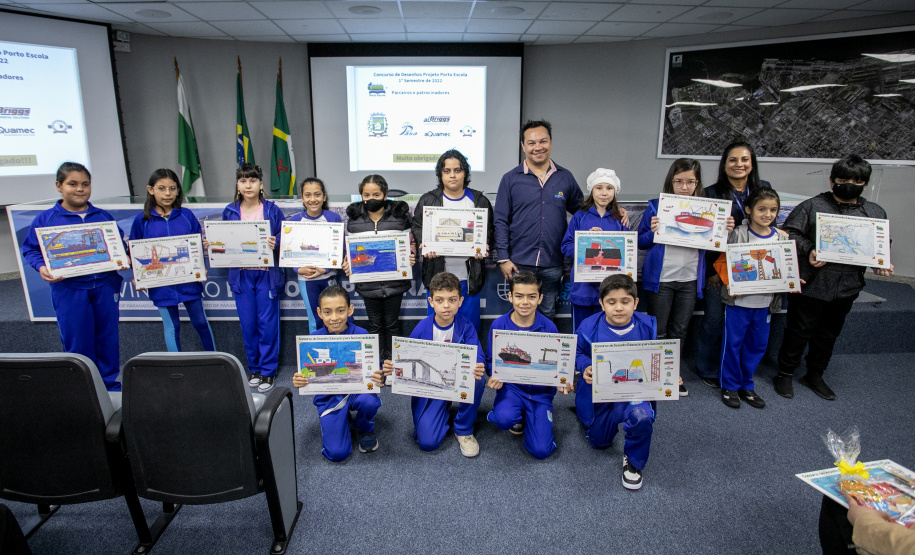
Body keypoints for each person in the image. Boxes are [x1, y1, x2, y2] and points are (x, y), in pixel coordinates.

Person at [775, 154, 894, 401]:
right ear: (832, 181)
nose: (850, 184)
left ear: (865, 184)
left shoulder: (874, 211)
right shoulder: (811, 206)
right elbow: (789, 233)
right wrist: (810, 249)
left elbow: (881, 245)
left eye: (857, 180)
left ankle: (815, 374)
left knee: (829, 334)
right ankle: (785, 373)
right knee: (798, 330)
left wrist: (881, 263)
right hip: (811, 283)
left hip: (847, 286)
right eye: (843, 179)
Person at [21, 162, 126, 391]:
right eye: (73, 184)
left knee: (107, 337)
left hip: (105, 286)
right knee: (77, 339)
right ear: (59, 186)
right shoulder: (46, 219)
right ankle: (83, 387)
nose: (80, 189)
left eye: (85, 184)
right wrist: (41, 267)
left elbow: (118, 245)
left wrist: (124, 256)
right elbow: (30, 249)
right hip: (69, 289)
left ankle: (108, 383)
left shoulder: (103, 216)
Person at [637, 158, 734, 396]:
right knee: (658, 330)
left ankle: (672, 374)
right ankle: (655, 375)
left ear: (697, 183)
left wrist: (725, 230)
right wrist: (653, 231)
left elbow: (715, 246)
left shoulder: (709, 210)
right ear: (670, 181)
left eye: (690, 182)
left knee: (680, 330)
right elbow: (640, 241)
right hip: (661, 279)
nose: (684, 187)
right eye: (678, 181)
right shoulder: (656, 206)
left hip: (689, 280)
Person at [377, 272, 487, 457]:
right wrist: (391, 368)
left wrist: (479, 365)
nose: (446, 305)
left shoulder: (467, 326)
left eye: (452, 300)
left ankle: (463, 428)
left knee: (478, 379)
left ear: (460, 301)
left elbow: (478, 355)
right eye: (440, 300)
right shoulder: (422, 327)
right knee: (428, 443)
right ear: (431, 301)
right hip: (432, 387)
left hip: (456, 380)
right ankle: (441, 409)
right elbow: (405, 358)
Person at [697, 141, 772, 389]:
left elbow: (770, 226)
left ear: (752, 163)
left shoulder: (763, 189)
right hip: (718, 271)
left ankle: (738, 372)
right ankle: (708, 368)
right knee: (714, 322)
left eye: (744, 159)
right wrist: (711, 271)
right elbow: (703, 236)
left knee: (744, 328)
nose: (739, 164)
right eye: (733, 160)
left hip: (753, 271)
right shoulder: (710, 193)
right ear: (724, 164)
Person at [493, 120, 583, 321]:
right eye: (531, 143)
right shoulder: (510, 179)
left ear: (550, 142)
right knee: (519, 315)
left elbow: (582, 210)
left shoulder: (565, 177)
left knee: (548, 314)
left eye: (543, 141)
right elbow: (500, 221)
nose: (538, 147)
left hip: (552, 263)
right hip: (518, 263)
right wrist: (503, 258)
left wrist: (613, 209)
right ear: (523, 145)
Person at [574, 274, 657, 491]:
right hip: (600, 394)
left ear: (635, 303)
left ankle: (633, 461)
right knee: (599, 443)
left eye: (625, 301)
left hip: (633, 393)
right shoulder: (588, 326)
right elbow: (577, 352)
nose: (619, 308)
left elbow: (657, 358)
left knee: (641, 417)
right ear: (601, 304)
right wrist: (586, 366)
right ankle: (593, 421)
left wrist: (669, 376)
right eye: (611, 302)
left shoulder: (647, 326)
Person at [715, 188, 789, 409]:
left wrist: (792, 278)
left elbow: (786, 266)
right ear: (748, 209)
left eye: (773, 210)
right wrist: (730, 281)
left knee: (757, 346)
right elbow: (722, 261)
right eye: (762, 209)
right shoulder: (738, 233)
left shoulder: (780, 237)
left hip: (765, 303)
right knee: (733, 344)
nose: (768, 214)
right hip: (739, 303)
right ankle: (729, 385)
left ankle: (746, 383)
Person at [486, 271, 572, 459]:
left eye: (531, 297)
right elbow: (491, 361)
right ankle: (511, 413)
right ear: (510, 296)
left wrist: (562, 379)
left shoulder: (549, 327)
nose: (525, 302)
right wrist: (493, 374)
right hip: (512, 389)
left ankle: (532, 417)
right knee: (504, 419)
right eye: (519, 296)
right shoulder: (498, 325)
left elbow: (558, 364)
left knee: (541, 451)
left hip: (540, 393)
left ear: (540, 299)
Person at [129, 168, 216, 352]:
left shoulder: (187, 216)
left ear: (178, 190)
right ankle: (177, 366)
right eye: (162, 188)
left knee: (201, 322)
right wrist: (138, 275)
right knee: (172, 327)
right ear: (151, 190)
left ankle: (215, 360)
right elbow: (135, 251)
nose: (167, 193)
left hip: (189, 282)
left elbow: (197, 245)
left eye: (172, 188)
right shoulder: (142, 220)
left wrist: (202, 266)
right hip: (161, 286)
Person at [292, 286, 382, 460]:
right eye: (327, 312)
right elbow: (306, 374)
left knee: (369, 401)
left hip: (357, 392)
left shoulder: (363, 335)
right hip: (330, 397)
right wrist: (300, 380)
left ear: (350, 310)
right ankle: (341, 418)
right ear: (319, 313)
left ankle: (365, 429)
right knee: (337, 454)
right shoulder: (312, 340)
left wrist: (380, 377)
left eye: (340, 311)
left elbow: (375, 369)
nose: (334, 318)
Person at [412, 149, 494, 333]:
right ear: (440, 174)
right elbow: (417, 226)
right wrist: (424, 242)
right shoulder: (428, 199)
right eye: (447, 171)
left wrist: (483, 245)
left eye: (457, 170)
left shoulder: (479, 200)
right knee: (437, 331)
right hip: (437, 276)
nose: (452, 175)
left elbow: (489, 231)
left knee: (468, 329)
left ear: (465, 173)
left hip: (469, 279)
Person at [221, 163, 284, 393]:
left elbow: (285, 237)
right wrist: (214, 243)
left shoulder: (272, 210)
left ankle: (268, 371)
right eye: (243, 181)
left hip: (267, 274)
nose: (248, 185)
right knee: (248, 325)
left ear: (261, 184)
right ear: (237, 185)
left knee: (267, 324)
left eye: (252, 180)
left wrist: (277, 241)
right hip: (242, 275)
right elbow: (224, 240)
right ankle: (254, 369)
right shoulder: (229, 211)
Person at [344, 174, 415, 361]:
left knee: (392, 325)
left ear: (385, 194)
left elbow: (410, 243)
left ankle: (392, 365)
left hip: (394, 283)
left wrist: (411, 255)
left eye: (376, 195)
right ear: (361, 195)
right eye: (366, 195)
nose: (371, 199)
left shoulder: (400, 216)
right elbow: (350, 250)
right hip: (368, 285)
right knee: (374, 326)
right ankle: (376, 365)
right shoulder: (354, 220)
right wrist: (347, 262)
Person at [560, 168, 628, 331]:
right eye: (599, 188)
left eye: (609, 188)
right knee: (581, 332)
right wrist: (586, 241)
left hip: (610, 292)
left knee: (604, 333)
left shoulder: (620, 219)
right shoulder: (579, 216)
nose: (604, 193)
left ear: (615, 191)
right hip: (582, 290)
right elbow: (566, 248)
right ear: (591, 190)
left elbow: (627, 252)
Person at [285, 177, 347, 334]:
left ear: (324, 197)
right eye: (308, 195)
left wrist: (325, 269)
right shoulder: (295, 220)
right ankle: (317, 349)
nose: (313, 199)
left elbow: (340, 250)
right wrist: (298, 269)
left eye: (317, 194)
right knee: (315, 319)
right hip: (306, 280)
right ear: (302, 198)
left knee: (337, 318)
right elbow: (288, 252)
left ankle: (338, 348)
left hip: (329, 277)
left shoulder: (333, 218)